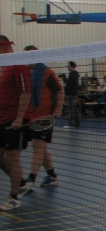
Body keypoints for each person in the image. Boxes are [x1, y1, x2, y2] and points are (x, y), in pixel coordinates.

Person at [20, 45, 64, 193]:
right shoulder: (26, 74)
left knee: (37, 146)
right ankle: (52, 176)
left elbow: (60, 91)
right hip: (31, 116)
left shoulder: (47, 72)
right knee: (42, 148)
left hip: (44, 117)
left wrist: (58, 109)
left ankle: (31, 180)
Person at [0, 35, 32, 211]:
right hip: (2, 118)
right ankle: (21, 183)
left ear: (4, 46)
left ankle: (14, 197)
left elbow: (25, 93)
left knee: (13, 156)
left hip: (15, 119)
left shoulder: (18, 64)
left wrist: (19, 118)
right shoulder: (4, 65)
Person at [64, 61, 81, 129]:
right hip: (74, 93)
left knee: (71, 109)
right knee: (74, 109)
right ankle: (77, 123)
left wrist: (66, 92)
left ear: (71, 66)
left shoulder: (72, 74)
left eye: (68, 66)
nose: (67, 67)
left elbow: (69, 84)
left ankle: (71, 124)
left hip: (71, 94)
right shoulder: (75, 74)